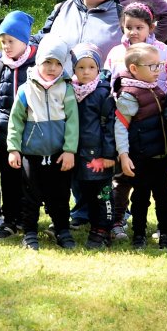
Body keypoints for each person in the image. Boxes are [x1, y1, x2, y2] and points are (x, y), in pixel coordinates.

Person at [7, 35, 78, 250]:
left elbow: (73, 122)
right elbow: (15, 121)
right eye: (48, 62)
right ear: (38, 61)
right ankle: (29, 233)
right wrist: (13, 149)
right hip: (32, 154)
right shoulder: (25, 90)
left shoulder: (66, 89)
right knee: (31, 196)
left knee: (61, 196)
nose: (53, 68)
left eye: (58, 63)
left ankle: (62, 229)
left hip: (59, 155)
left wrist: (69, 150)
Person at [113, 43, 167, 250]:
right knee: (141, 197)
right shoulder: (130, 94)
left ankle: (166, 233)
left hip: (162, 155)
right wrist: (124, 155)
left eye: (159, 65)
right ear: (134, 69)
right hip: (140, 157)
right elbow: (120, 128)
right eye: (152, 66)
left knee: (164, 197)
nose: (158, 70)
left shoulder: (154, 88)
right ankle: (138, 233)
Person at [0, 11, 36, 240]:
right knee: (9, 177)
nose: (6, 46)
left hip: (32, 131)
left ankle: (28, 218)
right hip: (6, 132)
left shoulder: (37, 64)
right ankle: (10, 219)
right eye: (3, 41)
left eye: (11, 41)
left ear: (24, 40)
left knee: (30, 176)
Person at [68, 44, 117, 247]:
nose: (86, 72)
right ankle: (92, 223)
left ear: (98, 69)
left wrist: (108, 154)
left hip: (98, 155)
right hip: (78, 153)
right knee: (85, 191)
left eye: (91, 67)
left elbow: (109, 126)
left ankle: (103, 228)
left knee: (102, 193)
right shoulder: (70, 91)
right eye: (80, 67)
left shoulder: (103, 93)